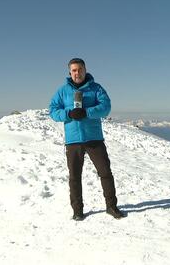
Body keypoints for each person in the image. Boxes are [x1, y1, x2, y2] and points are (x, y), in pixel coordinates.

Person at [49, 58, 125, 221]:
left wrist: (87, 112)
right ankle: (77, 211)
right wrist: (69, 113)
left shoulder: (96, 88)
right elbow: (53, 111)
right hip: (73, 140)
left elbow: (106, 107)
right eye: (74, 70)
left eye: (80, 69)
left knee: (105, 173)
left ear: (85, 70)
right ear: (70, 72)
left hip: (94, 139)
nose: (77, 73)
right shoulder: (62, 91)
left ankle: (111, 206)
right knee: (74, 176)